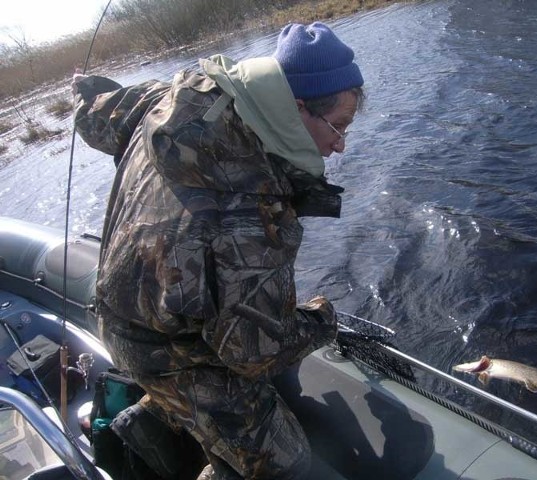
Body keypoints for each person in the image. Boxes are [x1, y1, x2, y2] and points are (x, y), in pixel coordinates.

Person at [73, 22, 364, 479]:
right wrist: (320, 319)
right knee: (285, 462)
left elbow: (99, 117)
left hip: (114, 312)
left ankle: (159, 415)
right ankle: (169, 424)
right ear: (299, 107)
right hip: (168, 351)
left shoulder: (177, 96)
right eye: (338, 126)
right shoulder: (254, 205)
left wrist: (84, 91)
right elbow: (252, 353)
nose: (340, 144)